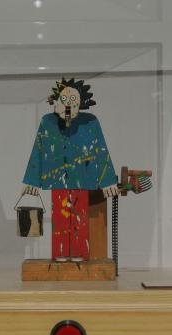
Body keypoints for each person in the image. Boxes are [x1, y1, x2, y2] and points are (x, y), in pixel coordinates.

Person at [22, 78, 118, 262]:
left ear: (81, 103)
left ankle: (79, 251)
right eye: (64, 101)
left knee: (80, 216)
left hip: (82, 177)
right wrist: (31, 181)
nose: (68, 107)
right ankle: (60, 251)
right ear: (55, 101)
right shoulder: (48, 122)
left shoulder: (90, 122)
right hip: (57, 178)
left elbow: (100, 149)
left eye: (73, 102)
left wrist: (108, 181)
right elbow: (38, 150)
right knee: (60, 216)